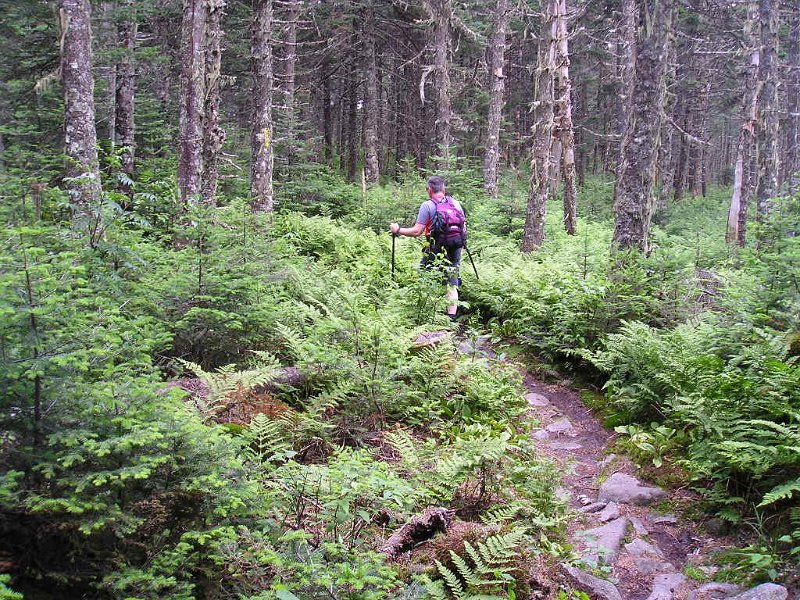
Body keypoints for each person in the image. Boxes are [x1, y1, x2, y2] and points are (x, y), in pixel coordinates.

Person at [389, 176, 466, 320]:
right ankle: (451, 318)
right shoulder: (455, 203)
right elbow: (464, 228)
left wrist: (398, 229)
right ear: (444, 190)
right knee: (451, 281)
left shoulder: (428, 205)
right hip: (456, 246)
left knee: (424, 275)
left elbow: (417, 231)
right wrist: (458, 246)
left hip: (435, 247)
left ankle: (425, 313)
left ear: (429, 190)